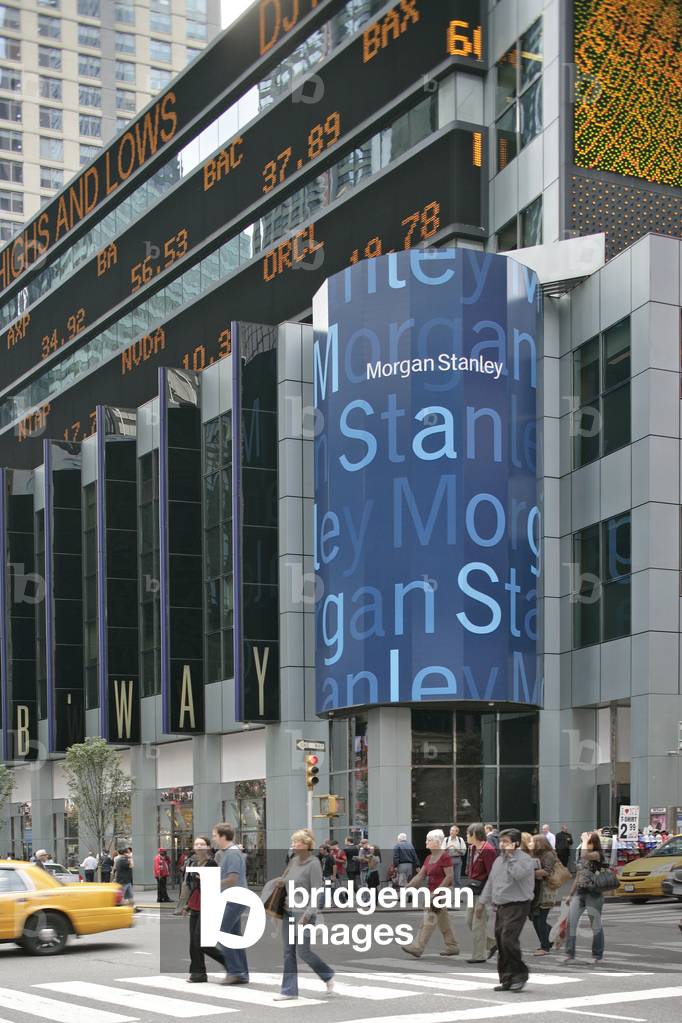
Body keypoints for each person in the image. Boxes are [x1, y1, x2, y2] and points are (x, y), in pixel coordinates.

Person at [273, 829, 335, 1000]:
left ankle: (327, 975)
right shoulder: (293, 861)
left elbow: (317, 891)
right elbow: (287, 880)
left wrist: (307, 915)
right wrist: (281, 883)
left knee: (303, 952)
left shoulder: (314, 864)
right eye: (292, 842)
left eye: (296, 842)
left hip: (304, 914)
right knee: (288, 952)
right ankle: (289, 991)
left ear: (306, 844)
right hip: (288, 911)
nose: (293, 845)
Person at [479, 828, 535, 992]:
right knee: (501, 942)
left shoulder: (525, 860)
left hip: (518, 904)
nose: (502, 845)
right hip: (502, 906)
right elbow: (491, 882)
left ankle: (520, 975)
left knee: (508, 939)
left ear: (516, 844)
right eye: (501, 841)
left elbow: (518, 875)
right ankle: (507, 979)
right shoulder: (498, 860)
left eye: (506, 842)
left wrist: (511, 858)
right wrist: (482, 902)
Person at [402, 829, 459, 959]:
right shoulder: (428, 858)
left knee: (429, 918)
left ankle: (418, 947)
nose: (426, 842)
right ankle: (452, 946)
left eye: (429, 840)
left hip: (442, 891)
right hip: (432, 892)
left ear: (437, 842)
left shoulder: (444, 857)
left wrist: (437, 893)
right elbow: (420, 875)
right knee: (443, 920)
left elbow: (449, 877)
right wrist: (408, 886)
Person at [175, 836, 225, 983]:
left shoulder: (212, 864)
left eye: (202, 844)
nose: (198, 846)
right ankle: (198, 974)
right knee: (194, 943)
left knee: (201, 941)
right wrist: (187, 905)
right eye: (196, 844)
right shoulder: (194, 863)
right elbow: (193, 887)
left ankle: (230, 962)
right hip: (196, 905)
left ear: (208, 847)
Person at [212, 823, 249, 985]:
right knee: (234, 937)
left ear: (222, 836)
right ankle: (242, 973)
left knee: (222, 933)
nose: (213, 838)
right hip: (235, 898)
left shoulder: (232, 854)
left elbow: (232, 879)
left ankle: (234, 972)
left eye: (215, 835)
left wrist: (211, 882)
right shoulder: (229, 853)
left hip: (235, 898)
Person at [563, 831, 606, 965]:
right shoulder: (582, 856)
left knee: (595, 925)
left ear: (595, 844)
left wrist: (586, 840)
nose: (586, 844)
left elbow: (585, 854)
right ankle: (570, 953)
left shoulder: (597, 855)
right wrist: (570, 894)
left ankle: (597, 955)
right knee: (571, 922)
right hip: (580, 893)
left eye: (590, 842)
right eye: (586, 842)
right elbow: (578, 877)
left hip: (594, 894)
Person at [465, 823, 498, 963]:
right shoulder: (473, 848)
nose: (466, 836)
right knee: (469, 921)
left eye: (468, 834)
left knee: (478, 924)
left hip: (483, 891)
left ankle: (479, 955)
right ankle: (492, 943)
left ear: (475, 835)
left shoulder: (488, 850)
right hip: (473, 889)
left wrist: (488, 896)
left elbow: (492, 874)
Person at [530, 833, 558, 956]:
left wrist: (530, 872)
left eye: (534, 842)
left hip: (546, 890)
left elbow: (547, 871)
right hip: (536, 890)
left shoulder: (549, 854)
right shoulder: (536, 854)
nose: (531, 844)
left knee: (540, 919)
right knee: (535, 918)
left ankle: (545, 946)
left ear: (540, 843)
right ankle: (552, 936)